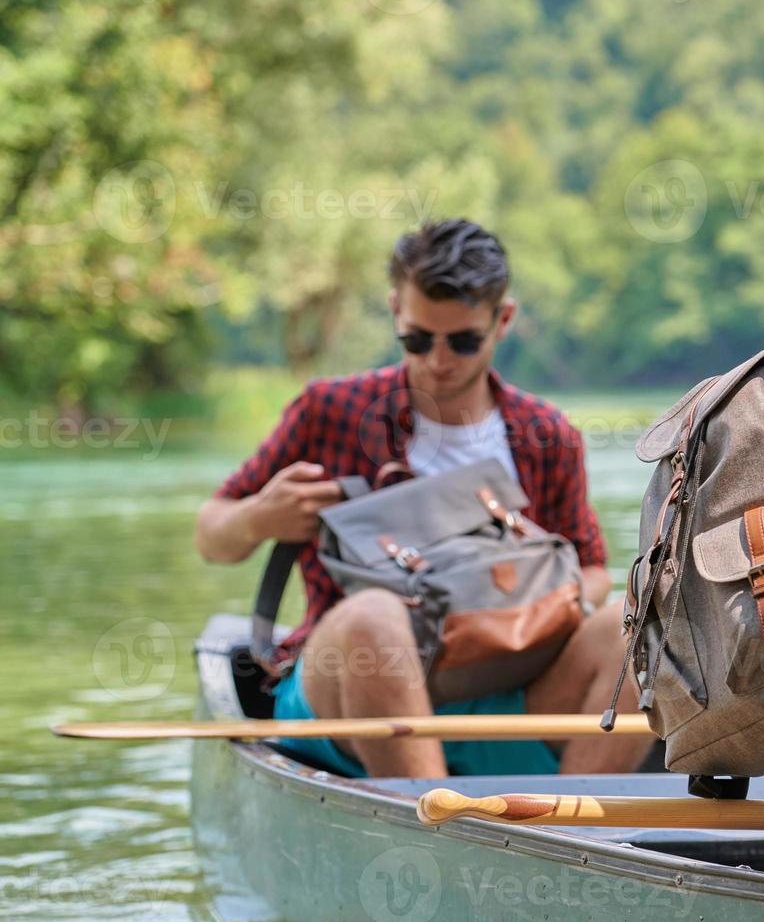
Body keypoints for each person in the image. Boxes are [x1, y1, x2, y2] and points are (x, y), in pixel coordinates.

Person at [195, 219, 652, 779]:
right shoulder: (329, 411)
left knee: (635, 625)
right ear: (395, 312)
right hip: (352, 692)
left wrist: (533, 593)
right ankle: (428, 835)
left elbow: (591, 568)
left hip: (510, 688)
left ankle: (571, 844)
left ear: (502, 320)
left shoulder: (546, 434)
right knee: (372, 617)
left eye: (462, 341)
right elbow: (212, 534)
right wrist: (257, 517)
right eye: (417, 339)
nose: (438, 359)